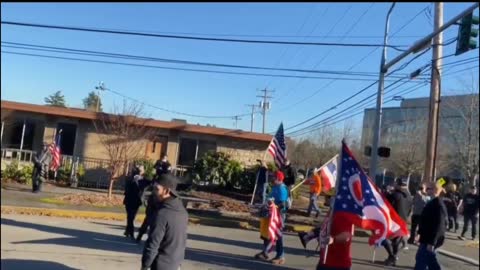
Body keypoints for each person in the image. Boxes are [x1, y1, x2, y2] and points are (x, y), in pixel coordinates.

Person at [141, 174, 188, 270]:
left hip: (161, 265)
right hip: (175, 264)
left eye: (157, 189)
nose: (153, 192)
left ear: (167, 191)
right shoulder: (182, 211)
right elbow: (182, 242)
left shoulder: (162, 214)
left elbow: (153, 244)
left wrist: (145, 266)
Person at [254, 170, 288, 265]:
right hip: (270, 214)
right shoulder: (275, 187)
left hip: (278, 216)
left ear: (278, 179)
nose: (271, 179)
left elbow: (282, 205)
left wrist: (273, 205)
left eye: (273, 177)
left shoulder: (282, 189)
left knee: (278, 235)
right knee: (267, 233)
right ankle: (266, 252)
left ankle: (281, 256)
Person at [414, 181, 448, 270]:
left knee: (422, 260)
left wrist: (432, 242)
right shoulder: (432, 202)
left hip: (430, 238)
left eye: (427, 188)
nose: (425, 190)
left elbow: (439, 225)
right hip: (426, 236)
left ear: (434, 190)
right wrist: (419, 233)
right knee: (429, 260)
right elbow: (425, 220)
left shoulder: (438, 204)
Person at [383, 178, 413, 266]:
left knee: (384, 239)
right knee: (396, 242)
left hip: (393, 221)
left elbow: (386, 203)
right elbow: (409, 210)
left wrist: (386, 192)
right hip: (403, 220)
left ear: (398, 185)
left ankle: (392, 256)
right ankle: (393, 258)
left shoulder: (395, 195)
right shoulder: (409, 196)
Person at [123, 165, 145, 240]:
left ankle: (128, 230)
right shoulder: (141, 180)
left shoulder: (129, 178)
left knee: (130, 216)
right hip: (135, 201)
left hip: (128, 200)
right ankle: (131, 232)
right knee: (131, 217)